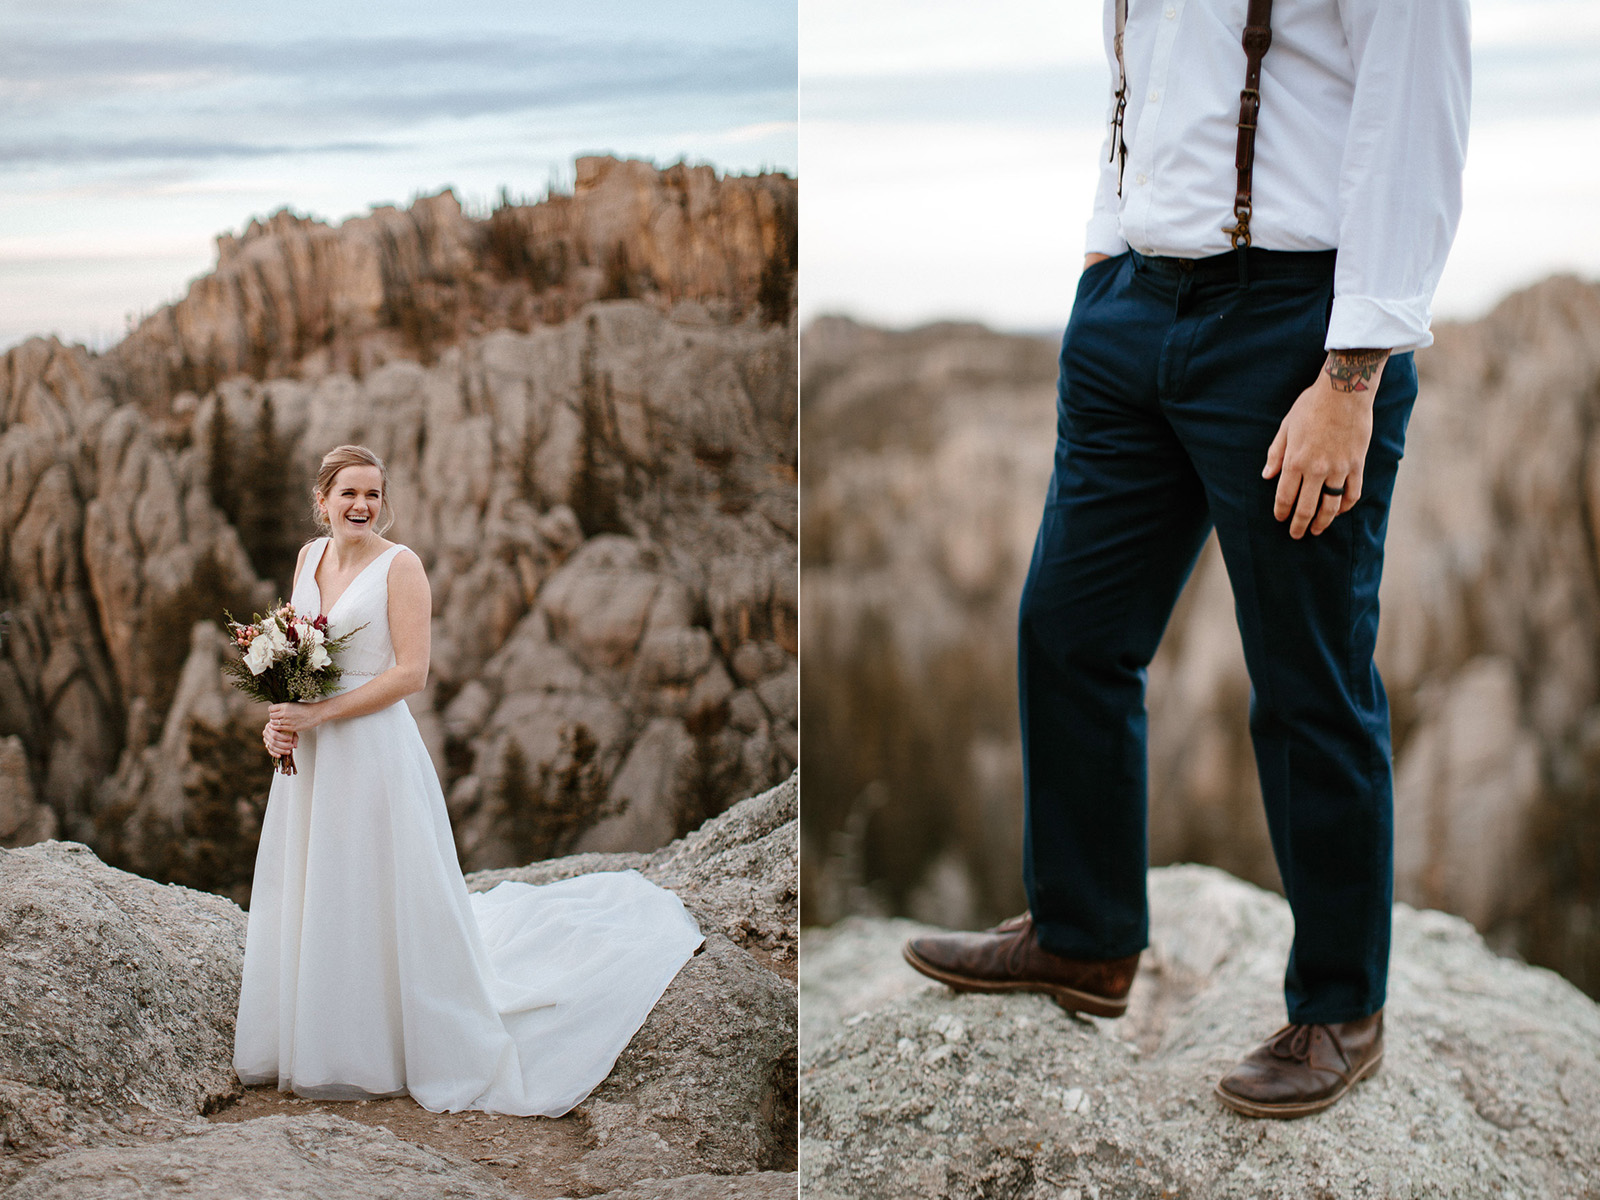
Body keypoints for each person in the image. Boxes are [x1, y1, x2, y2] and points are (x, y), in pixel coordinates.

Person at [903, 0, 1471, 1118]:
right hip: (1127, 312)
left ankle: (1341, 1007)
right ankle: (1083, 937)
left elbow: (1415, 120)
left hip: (1293, 329)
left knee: (1307, 682)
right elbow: (1144, 86)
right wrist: (1104, 248)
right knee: (1067, 632)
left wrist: (1350, 377)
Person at [235, 444, 704, 1115]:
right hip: (311, 758)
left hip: (371, 750)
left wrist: (319, 715)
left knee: (372, 887)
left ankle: (379, 1045)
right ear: (322, 500)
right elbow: (295, 659)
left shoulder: (403, 567)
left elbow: (410, 674)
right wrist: (280, 721)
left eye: (373, 494)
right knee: (324, 886)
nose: (363, 506)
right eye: (349, 494)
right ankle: (314, 1034)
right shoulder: (309, 560)